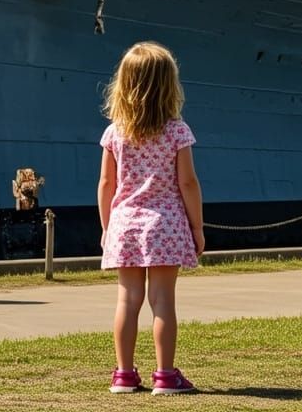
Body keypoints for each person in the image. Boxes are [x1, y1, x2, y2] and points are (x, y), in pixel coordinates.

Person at [97, 42, 204, 395]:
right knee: (163, 301)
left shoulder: (115, 133)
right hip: (166, 224)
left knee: (127, 300)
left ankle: (124, 375)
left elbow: (106, 183)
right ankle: (165, 375)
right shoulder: (177, 131)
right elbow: (187, 182)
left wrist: (105, 228)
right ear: (168, 85)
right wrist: (197, 227)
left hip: (124, 223)